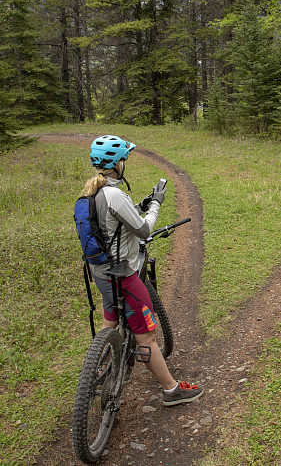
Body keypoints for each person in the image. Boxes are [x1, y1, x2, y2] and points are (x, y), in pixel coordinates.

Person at [81, 135, 203, 407]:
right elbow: (144, 229)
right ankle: (171, 390)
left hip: (101, 274)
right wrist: (156, 202)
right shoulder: (115, 194)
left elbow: (112, 223)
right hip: (124, 275)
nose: (125, 163)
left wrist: (140, 206)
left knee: (110, 320)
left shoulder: (93, 192)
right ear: (117, 163)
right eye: (123, 159)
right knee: (146, 334)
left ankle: (102, 367)